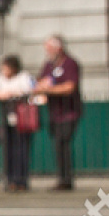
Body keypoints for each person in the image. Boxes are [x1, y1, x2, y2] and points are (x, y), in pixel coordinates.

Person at [35, 35, 82, 190]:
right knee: (57, 145)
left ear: (59, 48)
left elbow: (70, 86)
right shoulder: (49, 65)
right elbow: (40, 82)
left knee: (64, 143)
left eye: (50, 48)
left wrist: (49, 90)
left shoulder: (70, 63)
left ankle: (66, 179)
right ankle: (62, 177)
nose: (47, 52)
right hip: (54, 113)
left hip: (69, 112)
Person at [0, 54, 35, 192]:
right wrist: (0, 94)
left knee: (22, 149)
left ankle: (22, 180)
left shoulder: (23, 77)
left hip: (21, 116)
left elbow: (30, 89)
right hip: (6, 115)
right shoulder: (0, 78)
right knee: (8, 149)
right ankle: (10, 179)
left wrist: (12, 93)